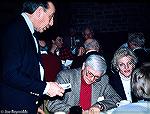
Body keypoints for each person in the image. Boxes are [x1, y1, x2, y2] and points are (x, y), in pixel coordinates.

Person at [0, 0, 65, 113]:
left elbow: (26, 71)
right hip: (14, 107)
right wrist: (46, 88)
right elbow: (9, 74)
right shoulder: (16, 31)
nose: (52, 23)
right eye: (51, 16)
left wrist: (32, 103)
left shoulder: (26, 31)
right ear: (39, 11)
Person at [46, 54, 121, 114]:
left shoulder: (103, 80)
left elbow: (116, 98)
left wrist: (99, 105)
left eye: (97, 77)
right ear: (83, 66)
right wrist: (77, 111)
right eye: (90, 73)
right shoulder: (66, 76)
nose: (92, 79)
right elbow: (52, 104)